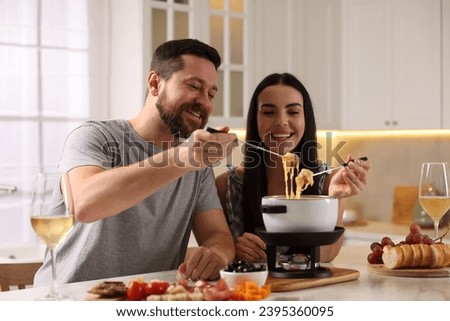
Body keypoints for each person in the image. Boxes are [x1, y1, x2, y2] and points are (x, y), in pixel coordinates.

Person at [34, 39, 239, 285]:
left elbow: (218, 235)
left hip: (146, 303)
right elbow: (84, 204)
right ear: (154, 83)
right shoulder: (96, 137)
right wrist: (183, 157)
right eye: (194, 86)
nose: (204, 101)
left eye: (211, 94)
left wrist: (218, 253)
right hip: (68, 304)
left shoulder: (198, 167)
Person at [215, 73, 370, 263]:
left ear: (306, 118)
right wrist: (234, 252)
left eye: (293, 112)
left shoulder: (329, 181)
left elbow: (327, 256)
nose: (281, 121)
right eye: (269, 112)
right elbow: (215, 248)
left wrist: (334, 198)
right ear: (255, 120)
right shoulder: (226, 185)